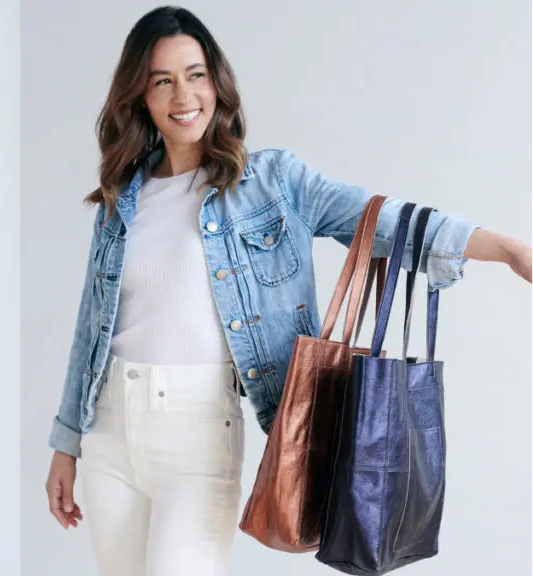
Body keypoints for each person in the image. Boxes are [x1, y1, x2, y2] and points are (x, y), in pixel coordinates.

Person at [43, 6, 532, 576]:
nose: (184, 95)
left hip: (198, 437)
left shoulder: (274, 182)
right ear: (140, 96)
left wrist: (506, 248)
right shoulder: (121, 201)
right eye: (163, 81)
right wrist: (67, 441)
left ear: (217, 84)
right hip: (109, 433)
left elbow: (381, 220)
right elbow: (91, 324)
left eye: (196, 74)